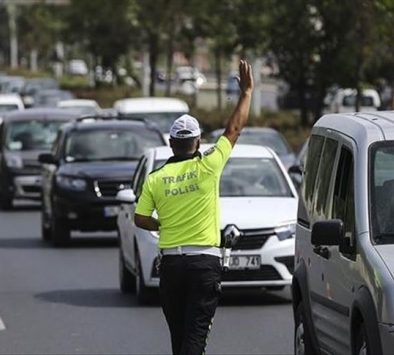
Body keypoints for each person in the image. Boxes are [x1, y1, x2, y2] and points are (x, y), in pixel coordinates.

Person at [134, 60, 254, 355]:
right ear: (198, 142)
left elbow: (139, 218)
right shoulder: (209, 166)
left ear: (172, 143)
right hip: (203, 265)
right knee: (195, 338)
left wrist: (163, 225)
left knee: (180, 339)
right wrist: (247, 93)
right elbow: (234, 129)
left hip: (172, 266)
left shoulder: (156, 178)